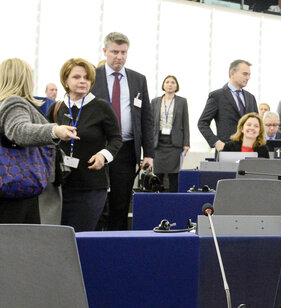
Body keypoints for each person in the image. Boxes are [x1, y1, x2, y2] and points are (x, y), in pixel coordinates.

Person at [0, 58, 77, 224]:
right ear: (24, 79)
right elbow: (19, 131)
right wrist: (54, 130)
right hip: (19, 190)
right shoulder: (15, 103)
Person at [50, 58, 122, 231]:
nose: (83, 81)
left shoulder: (101, 107)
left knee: (81, 236)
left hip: (91, 187)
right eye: (76, 77)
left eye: (86, 78)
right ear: (65, 80)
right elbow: (45, 138)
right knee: (60, 237)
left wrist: (103, 155)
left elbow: (116, 139)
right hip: (60, 187)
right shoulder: (56, 108)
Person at [92, 32, 155, 230]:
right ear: (105, 51)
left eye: (123, 52)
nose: (119, 56)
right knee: (98, 203)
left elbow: (146, 118)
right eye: (114, 52)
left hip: (126, 150)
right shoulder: (92, 76)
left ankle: (116, 244)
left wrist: (149, 154)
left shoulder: (138, 79)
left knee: (121, 203)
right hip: (97, 149)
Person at [197, 60, 257, 152]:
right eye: (245, 74)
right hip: (226, 149)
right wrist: (216, 142)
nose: (248, 78)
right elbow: (202, 123)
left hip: (249, 150)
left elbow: (257, 124)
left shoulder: (251, 98)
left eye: (249, 75)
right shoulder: (217, 96)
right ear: (232, 73)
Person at [151, 75, 190, 193]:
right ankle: (158, 201)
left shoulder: (182, 101)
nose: (170, 84)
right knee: (158, 175)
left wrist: (186, 143)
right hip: (158, 142)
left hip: (175, 143)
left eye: (173, 82)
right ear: (163, 85)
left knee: (174, 175)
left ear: (176, 86)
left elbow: (185, 122)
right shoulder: (155, 101)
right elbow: (150, 123)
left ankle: (173, 200)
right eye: (167, 82)